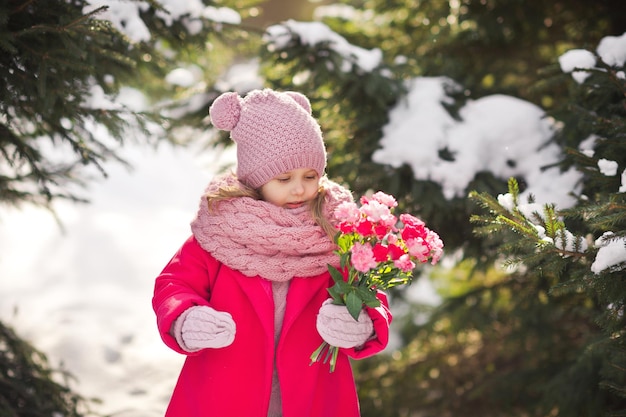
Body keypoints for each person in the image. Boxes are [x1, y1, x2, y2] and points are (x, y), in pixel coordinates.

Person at [152, 88, 391, 417]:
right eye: (284, 178)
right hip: (226, 391)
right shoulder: (221, 231)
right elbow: (174, 284)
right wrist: (186, 318)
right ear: (255, 181)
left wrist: (360, 323)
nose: (299, 188)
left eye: (310, 176)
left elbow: (367, 288)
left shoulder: (337, 230)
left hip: (312, 394)